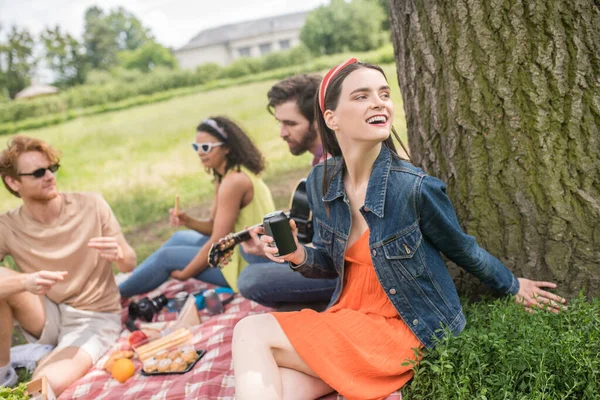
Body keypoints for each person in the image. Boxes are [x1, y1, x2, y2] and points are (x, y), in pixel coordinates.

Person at [231, 59, 567, 400]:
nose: (379, 102)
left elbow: (463, 249)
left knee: (251, 331)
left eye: (384, 94)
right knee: (282, 388)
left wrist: (512, 284)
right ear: (331, 118)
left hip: (405, 326)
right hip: (349, 315)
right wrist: (296, 254)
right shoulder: (321, 181)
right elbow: (329, 264)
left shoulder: (414, 188)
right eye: (361, 96)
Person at [0, 136, 137, 395]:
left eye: (51, 168)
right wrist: (23, 282)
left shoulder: (92, 204)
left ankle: (48, 357)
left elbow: (129, 262)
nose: (50, 177)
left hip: (93, 315)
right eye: (38, 173)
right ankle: (3, 375)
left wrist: (118, 254)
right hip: (46, 310)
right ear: (13, 182)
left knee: (42, 387)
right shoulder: (7, 226)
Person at [119, 116, 275, 297]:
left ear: (227, 148)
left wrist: (186, 273)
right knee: (179, 237)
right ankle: (133, 280)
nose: (200, 152)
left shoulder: (234, 181)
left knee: (167, 258)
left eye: (206, 147)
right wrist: (188, 221)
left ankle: (114, 296)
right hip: (236, 248)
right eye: (197, 147)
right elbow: (215, 227)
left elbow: (218, 238)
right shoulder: (225, 176)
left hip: (248, 260)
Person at [237, 74, 337, 308]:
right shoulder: (322, 159)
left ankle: (322, 305)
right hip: (324, 257)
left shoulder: (330, 168)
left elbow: (333, 257)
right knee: (253, 253)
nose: (282, 133)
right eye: (280, 123)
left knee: (250, 279)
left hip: (345, 272)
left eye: (290, 124)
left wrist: (293, 250)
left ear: (319, 121)